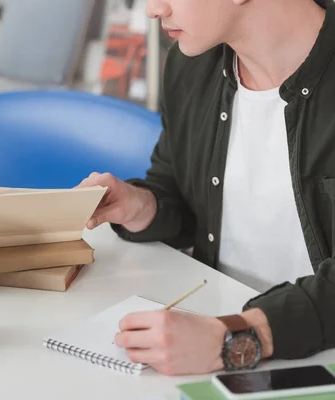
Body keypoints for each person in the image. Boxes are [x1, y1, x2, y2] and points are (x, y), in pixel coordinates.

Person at [78, 0, 335, 376]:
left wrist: (236, 337)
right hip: (219, 343)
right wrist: (143, 206)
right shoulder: (191, 66)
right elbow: (181, 191)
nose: (153, 9)